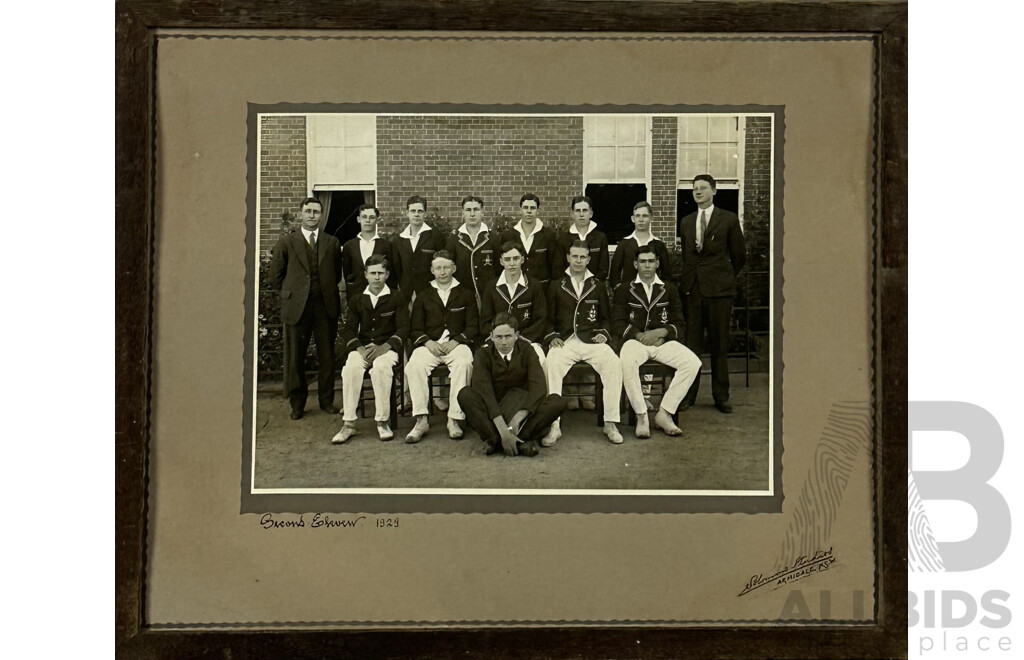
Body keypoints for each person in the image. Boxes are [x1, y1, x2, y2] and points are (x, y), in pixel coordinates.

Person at [613, 244, 702, 438]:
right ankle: (641, 414)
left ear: (658, 263)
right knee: (626, 359)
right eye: (643, 261)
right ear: (635, 264)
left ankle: (665, 413)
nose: (647, 265)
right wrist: (638, 335)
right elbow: (618, 323)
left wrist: (663, 332)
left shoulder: (668, 289)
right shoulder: (624, 289)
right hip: (636, 342)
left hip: (662, 342)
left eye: (651, 261)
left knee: (693, 362)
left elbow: (679, 322)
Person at [268, 197, 344, 420]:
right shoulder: (287, 242)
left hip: (324, 306)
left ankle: (327, 401)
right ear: (301, 213)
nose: (312, 215)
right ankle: (297, 404)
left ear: (321, 215)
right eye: (308, 211)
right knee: (295, 357)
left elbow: (336, 273)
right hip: (297, 307)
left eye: (317, 212)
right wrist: (293, 292)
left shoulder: (332, 242)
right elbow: (275, 275)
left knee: (327, 356)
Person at [542, 241, 624, 445]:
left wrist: (604, 334)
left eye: (582, 257)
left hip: (591, 341)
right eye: (574, 256)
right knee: (551, 363)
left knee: (613, 362)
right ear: (568, 258)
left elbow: (605, 317)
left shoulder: (597, 285)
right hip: (566, 342)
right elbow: (548, 319)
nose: (578, 261)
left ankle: (610, 422)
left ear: (588, 259)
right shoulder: (556, 285)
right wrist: (552, 336)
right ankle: (554, 426)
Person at [678, 175, 746, 413]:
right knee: (691, 346)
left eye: (703, 188)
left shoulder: (727, 219)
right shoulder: (686, 221)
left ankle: (721, 396)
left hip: (719, 292)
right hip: (693, 291)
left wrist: (722, 278)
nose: (698, 192)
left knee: (719, 345)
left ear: (714, 191)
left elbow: (739, 256)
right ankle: (688, 396)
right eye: (694, 188)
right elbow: (688, 257)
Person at [457, 313, 567, 457]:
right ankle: (511, 441)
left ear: (517, 335)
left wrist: (518, 418)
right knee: (465, 394)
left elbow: (538, 387)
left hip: (521, 412)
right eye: (498, 337)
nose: (503, 342)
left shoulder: (527, 350)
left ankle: (505, 442)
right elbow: (485, 394)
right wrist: (504, 431)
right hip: (494, 413)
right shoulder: (482, 355)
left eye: (508, 336)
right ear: (491, 336)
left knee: (556, 401)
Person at [404, 251, 479, 443]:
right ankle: (421, 419)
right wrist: (428, 342)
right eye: (438, 268)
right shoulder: (423, 295)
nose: (442, 272)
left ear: (453, 268)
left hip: (457, 345)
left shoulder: (466, 294)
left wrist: (457, 341)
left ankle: (454, 419)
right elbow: (415, 328)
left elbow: (473, 327)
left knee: (464, 363)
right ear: (432, 270)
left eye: (446, 267)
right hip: (430, 345)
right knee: (414, 365)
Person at [332, 255, 408, 443]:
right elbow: (348, 329)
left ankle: (382, 421)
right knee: (351, 368)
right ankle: (349, 423)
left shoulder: (396, 297)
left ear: (387, 275)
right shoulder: (358, 299)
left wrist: (385, 346)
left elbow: (403, 328)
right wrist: (359, 348)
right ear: (365, 275)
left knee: (381, 369)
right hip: (363, 348)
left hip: (387, 348)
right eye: (372, 273)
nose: (376, 277)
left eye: (380, 273)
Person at [479, 241, 548, 364]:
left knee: (540, 358)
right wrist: (498, 338)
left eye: (515, 259)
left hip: (526, 340)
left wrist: (520, 338)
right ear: (501, 261)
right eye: (507, 259)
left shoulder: (534, 285)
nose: (511, 264)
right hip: (499, 341)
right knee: (482, 359)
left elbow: (540, 318)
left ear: (522, 259)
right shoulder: (491, 286)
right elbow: (485, 320)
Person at [447, 195, 501, 307]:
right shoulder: (454, 239)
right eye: (468, 210)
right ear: (462, 213)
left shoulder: (492, 238)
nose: (472, 214)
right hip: (462, 296)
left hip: (488, 295)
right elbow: (449, 267)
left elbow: (499, 268)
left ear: (482, 212)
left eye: (476, 209)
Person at [393, 195, 448, 298]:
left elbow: (442, 264)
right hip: (406, 294)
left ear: (425, 214)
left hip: (430, 293)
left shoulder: (435, 236)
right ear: (407, 213)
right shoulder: (399, 240)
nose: (416, 215)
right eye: (413, 211)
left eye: (420, 211)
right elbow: (397, 269)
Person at [609, 201, 672, 289]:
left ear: (651, 218)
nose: (641, 220)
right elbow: (614, 274)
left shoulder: (659, 245)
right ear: (633, 218)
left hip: (653, 295)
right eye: (638, 216)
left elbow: (667, 275)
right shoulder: (624, 244)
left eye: (645, 216)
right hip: (629, 295)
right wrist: (620, 291)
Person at [501, 193, 559, 285]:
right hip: (517, 289)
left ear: (538, 211)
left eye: (532, 208)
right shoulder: (509, 235)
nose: (529, 211)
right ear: (520, 210)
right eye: (525, 208)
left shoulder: (548, 235)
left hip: (542, 289)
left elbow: (554, 266)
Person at [341, 203, 395, 300]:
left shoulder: (387, 245)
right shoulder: (349, 246)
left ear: (377, 220)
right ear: (358, 219)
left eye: (372, 217)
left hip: (381, 296)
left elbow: (391, 273)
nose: (367, 221)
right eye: (364, 217)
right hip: (357, 296)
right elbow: (347, 273)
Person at [558, 195, 609, 282]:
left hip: (594, 288)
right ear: (572, 214)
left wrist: (593, 285)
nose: (581, 214)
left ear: (591, 214)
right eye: (578, 211)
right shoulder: (563, 238)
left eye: (585, 210)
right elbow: (558, 267)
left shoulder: (600, 237)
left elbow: (603, 268)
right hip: (569, 287)